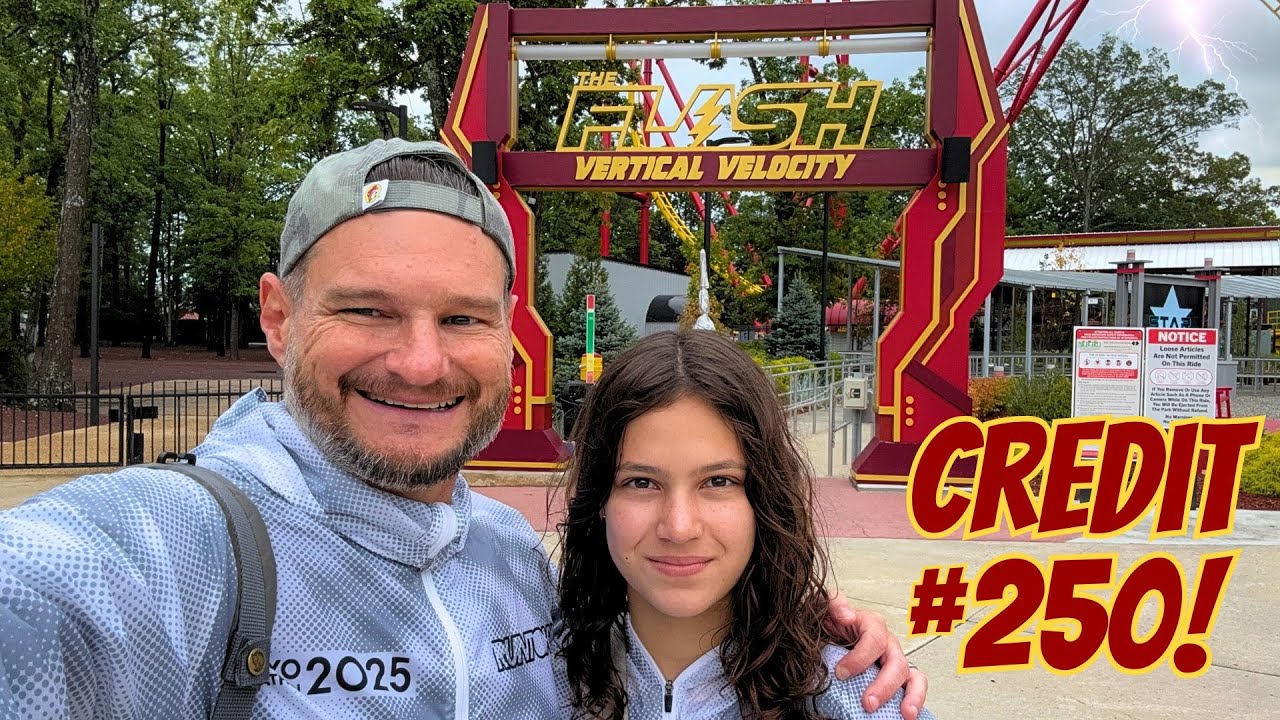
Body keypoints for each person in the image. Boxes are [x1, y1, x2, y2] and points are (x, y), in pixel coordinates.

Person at [0, 139, 925, 718]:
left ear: (509, 332)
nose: (419, 361)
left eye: (463, 319)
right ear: (278, 319)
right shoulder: (172, 553)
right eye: (367, 309)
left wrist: (796, 624)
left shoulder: (509, 560)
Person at [557, 330, 936, 719]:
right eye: (641, 482)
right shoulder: (536, 677)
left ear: (764, 498)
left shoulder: (857, 700)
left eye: (718, 481)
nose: (679, 526)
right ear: (599, 499)